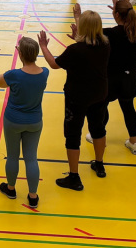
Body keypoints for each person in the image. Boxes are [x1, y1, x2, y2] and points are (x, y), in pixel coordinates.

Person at [38, 10, 110, 191]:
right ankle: (99, 165)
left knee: (72, 135)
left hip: (77, 97)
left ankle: (74, 177)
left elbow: (54, 64)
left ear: (83, 28)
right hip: (100, 93)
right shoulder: (106, 44)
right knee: (98, 129)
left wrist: (44, 47)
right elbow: (88, 49)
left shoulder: (75, 50)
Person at [0, 37, 48, 208]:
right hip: (35, 121)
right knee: (31, 158)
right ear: (36, 54)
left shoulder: (14, 75)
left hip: (13, 120)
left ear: (20, 54)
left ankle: (11, 189)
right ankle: (33, 196)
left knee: (13, 155)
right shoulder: (44, 72)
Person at [89, 0, 136, 155]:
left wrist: (78, 17)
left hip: (111, 79)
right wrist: (124, 6)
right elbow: (132, 16)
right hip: (131, 78)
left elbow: (89, 34)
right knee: (128, 108)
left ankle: (98, 137)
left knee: (102, 107)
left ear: (116, 15)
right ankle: (134, 142)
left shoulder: (110, 33)